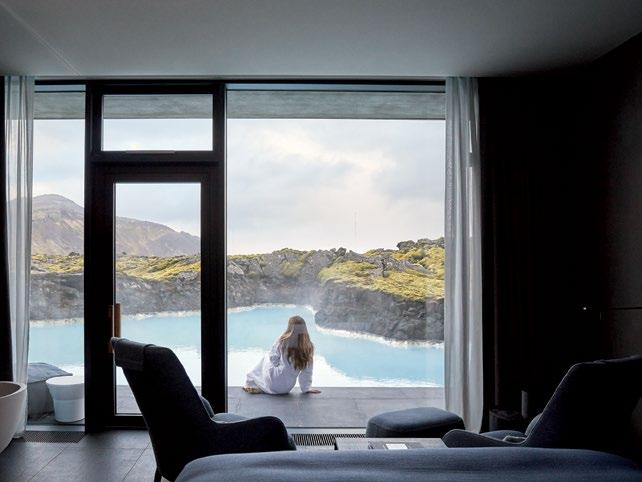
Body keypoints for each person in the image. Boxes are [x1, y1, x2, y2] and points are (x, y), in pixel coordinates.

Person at [244, 315, 321, 395]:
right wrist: (306, 388)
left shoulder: (283, 340)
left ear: (289, 327)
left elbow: (273, 358)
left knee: (266, 357)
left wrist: (278, 366)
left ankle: (252, 382)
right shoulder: (308, 347)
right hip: (286, 388)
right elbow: (307, 372)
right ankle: (261, 385)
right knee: (271, 363)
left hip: (273, 381)